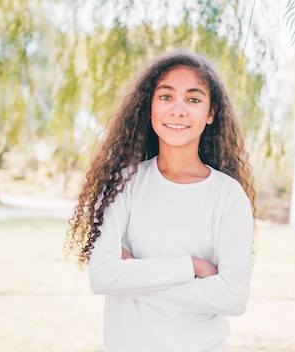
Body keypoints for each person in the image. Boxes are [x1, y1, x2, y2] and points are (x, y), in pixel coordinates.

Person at [66, 50, 256, 352]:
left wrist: (134, 275)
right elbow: (102, 277)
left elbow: (232, 297)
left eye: (193, 99)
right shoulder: (122, 183)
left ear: (211, 113)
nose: (178, 110)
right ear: (149, 107)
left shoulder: (228, 196)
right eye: (166, 97)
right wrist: (191, 267)